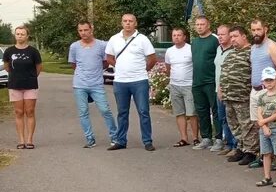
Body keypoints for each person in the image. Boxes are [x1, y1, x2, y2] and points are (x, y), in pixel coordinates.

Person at [105, 14, 157, 151]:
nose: (128, 23)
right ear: (121, 23)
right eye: (125, 21)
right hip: (120, 81)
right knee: (122, 112)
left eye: (130, 21)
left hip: (139, 80)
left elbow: (152, 59)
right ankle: (121, 141)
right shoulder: (114, 39)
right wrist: (120, 66)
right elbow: (109, 57)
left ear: (135, 23)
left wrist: (143, 70)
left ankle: (147, 141)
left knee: (143, 111)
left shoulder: (142, 39)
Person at [68, 21, 117, 148]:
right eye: (80, 30)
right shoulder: (74, 47)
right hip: (80, 84)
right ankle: (90, 139)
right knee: (83, 112)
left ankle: (114, 136)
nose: (83, 33)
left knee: (105, 110)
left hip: (96, 84)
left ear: (91, 30)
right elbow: (74, 64)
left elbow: (105, 63)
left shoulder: (101, 45)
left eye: (85, 30)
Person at [220, 26, 258, 167]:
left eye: (235, 36)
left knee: (247, 124)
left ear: (244, 36)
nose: (233, 39)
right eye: (231, 37)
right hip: (229, 96)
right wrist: (222, 90)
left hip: (243, 96)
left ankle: (251, 151)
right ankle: (241, 148)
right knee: (234, 124)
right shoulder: (231, 53)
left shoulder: (251, 52)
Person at [248, 19, 276, 169]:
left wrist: (274, 89)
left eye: (258, 29)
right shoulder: (253, 47)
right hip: (255, 90)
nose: (256, 33)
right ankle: (264, 156)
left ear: (265, 29)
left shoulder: (272, 46)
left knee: (271, 124)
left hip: (268, 90)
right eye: (253, 30)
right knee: (258, 123)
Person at [3, 25, 42, 149]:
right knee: (19, 112)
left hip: (30, 84)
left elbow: (38, 68)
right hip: (15, 84)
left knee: (29, 111)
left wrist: (30, 76)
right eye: (18, 34)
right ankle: (21, 140)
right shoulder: (9, 51)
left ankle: (29, 140)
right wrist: (15, 76)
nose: (20, 36)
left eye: (22, 34)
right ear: (15, 35)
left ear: (27, 36)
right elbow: (7, 67)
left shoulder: (33, 51)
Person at [164, 27, 199, 147]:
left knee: (192, 113)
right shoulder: (169, 51)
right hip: (175, 85)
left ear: (184, 37)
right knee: (179, 113)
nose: (176, 37)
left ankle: (195, 137)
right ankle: (184, 138)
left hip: (189, 85)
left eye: (179, 35)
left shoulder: (191, 49)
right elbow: (168, 68)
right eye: (174, 35)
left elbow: (196, 65)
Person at [191, 16, 221, 150]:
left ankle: (219, 139)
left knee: (215, 110)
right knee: (201, 111)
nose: (199, 27)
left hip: (211, 81)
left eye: (202, 24)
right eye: (197, 24)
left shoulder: (214, 40)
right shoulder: (195, 42)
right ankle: (206, 138)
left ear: (208, 25)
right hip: (197, 82)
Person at [254, 67, 276, 188]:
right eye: (266, 80)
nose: (268, 83)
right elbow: (259, 112)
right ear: (262, 82)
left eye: (271, 80)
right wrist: (263, 126)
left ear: (275, 80)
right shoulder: (262, 97)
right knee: (266, 153)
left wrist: (263, 122)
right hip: (264, 129)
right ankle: (267, 176)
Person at [213, 24, 237, 155]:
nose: (220, 37)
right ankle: (228, 144)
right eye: (219, 34)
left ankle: (235, 145)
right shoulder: (218, 49)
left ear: (229, 35)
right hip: (218, 90)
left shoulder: (234, 51)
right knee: (222, 118)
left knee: (231, 118)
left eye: (223, 34)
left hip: (229, 90)